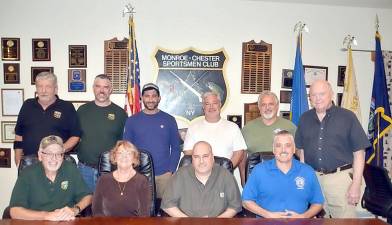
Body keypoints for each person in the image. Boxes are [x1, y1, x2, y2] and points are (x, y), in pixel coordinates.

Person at [295, 80, 370, 218]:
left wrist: (356, 184)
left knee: (345, 221)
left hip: (341, 180)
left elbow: (359, 153)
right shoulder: (304, 119)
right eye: (313, 95)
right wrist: (304, 178)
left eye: (322, 94)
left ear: (331, 94)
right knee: (319, 220)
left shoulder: (348, 117)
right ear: (309, 98)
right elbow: (302, 151)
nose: (317, 98)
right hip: (314, 179)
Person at [242, 130, 324, 218]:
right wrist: (268, 215)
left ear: (293, 149)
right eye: (278, 146)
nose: (283, 150)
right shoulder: (259, 171)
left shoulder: (307, 171)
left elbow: (318, 202)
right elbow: (246, 201)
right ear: (273, 149)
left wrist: (304, 216)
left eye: (288, 145)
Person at [9, 135, 92, 221]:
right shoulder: (27, 173)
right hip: (37, 222)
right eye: (49, 153)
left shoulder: (71, 170)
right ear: (40, 155)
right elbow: (14, 211)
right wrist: (46, 215)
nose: (54, 158)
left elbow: (88, 196)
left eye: (58, 154)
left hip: (66, 221)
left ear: (63, 156)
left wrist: (75, 210)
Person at [123, 83, 180, 198]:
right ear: (142, 98)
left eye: (154, 96)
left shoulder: (169, 120)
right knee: (141, 210)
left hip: (164, 175)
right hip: (139, 174)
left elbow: (175, 148)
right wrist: (131, 170)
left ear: (159, 98)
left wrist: (171, 170)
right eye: (147, 96)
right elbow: (126, 148)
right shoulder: (132, 121)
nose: (150, 99)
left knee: (165, 210)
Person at [14, 72, 81, 166]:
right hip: (30, 163)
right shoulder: (27, 105)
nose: (43, 90)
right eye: (40, 86)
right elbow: (18, 135)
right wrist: (18, 162)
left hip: (57, 163)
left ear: (55, 89)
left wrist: (60, 150)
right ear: (36, 88)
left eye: (48, 86)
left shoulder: (67, 107)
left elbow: (75, 136)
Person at [161, 141, 242, 217]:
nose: (201, 161)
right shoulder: (180, 175)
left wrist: (217, 221)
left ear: (212, 157)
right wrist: (189, 221)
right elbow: (167, 205)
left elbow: (234, 206)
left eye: (205, 156)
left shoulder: (225, 175)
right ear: (192, 159)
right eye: (196, 157)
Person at [76, 74, 127, 191]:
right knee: (86, 204)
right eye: (98, 86)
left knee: (108, 206)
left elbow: (122, 142)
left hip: (110, 169)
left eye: (106, 87)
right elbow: (75, 136)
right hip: (85, 169)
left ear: (111, 90)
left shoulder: (120, 113)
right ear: (93, 88)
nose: (102, 90)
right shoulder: (82, 110)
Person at [240, 91, 296, 186]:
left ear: (277, 106)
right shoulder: (247, 128)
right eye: (263, 105)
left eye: (271, 104)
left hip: (285, 180)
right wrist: (243, 179)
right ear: (259, 107)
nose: (267, 108)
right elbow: (242, 157)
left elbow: (298, 154)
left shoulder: (290, 127)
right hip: (256, 181)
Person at [183, 92, 246, 168]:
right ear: (203, 107)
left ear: (220, 105)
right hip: (199, 174)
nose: (211, 107)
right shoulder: (193, 128)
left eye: (214, 103)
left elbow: (239, 153)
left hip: (224, 175)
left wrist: (226, 169)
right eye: (207, 104)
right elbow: (188, 153)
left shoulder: (233, 127)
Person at [92, 140, 151, 217]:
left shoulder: (142, 181)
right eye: (120, 153)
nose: (124, 157)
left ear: (134, 158)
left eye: (128, 153)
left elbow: (144, 214)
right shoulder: (103, 180)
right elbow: (97, 211)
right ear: (114, 157)